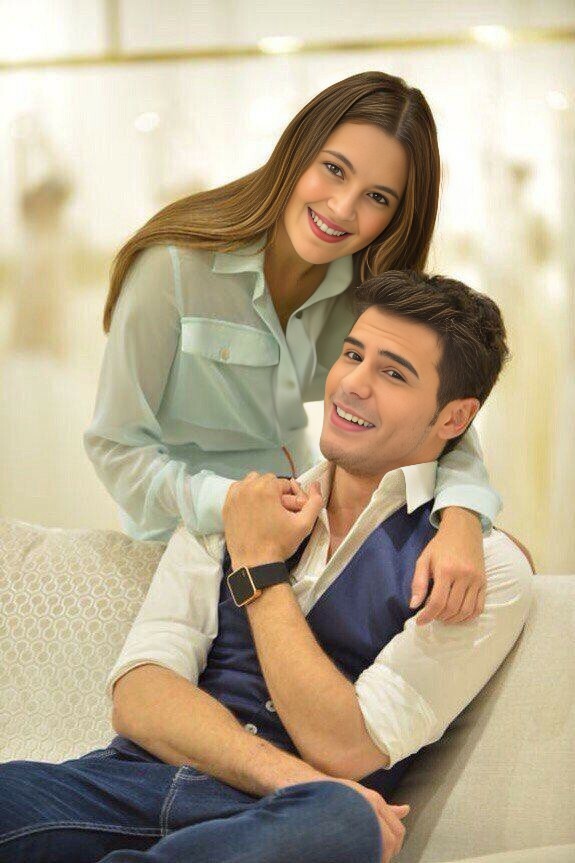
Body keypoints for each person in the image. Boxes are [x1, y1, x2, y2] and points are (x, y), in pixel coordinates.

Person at [0, 271, 534, 863]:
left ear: (454, 419)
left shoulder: (482, 569)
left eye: (393, 374)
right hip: (126, 786)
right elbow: (140, 697)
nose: (353, 384)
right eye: (352, 355)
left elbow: (344, 748)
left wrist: (258, 565)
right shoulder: (234, 505)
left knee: (345, 821)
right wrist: (293, 778)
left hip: (281, 827)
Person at [84, 70, 505, 627]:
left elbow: (445, 417)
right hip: (181, 550)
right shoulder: (172, 267)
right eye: (334, 169)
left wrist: (463, 516)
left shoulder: (365, 290)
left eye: (377, 197)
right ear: (297, 151)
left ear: (397, 214)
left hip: (306, 542)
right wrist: (232, 504)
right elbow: (116, 446)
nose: (343, 208)